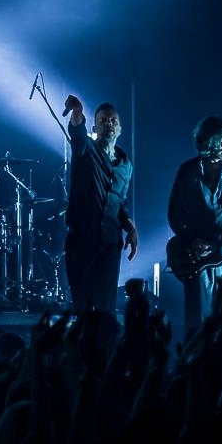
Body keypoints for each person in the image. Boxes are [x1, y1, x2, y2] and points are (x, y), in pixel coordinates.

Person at [167, 115, 222, 337]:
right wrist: (191, 240)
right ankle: (195, 354)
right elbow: (174, 213)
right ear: (207, 141)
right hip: (196, 253)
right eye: (221, 139)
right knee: (197, 315)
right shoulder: (188, 171)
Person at [62, 94, 138, 316]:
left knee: (106, 310)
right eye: (103, 120)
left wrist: (131, 228)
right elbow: (77, 133)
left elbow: (120, 201)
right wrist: (77, 111)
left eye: (113, 120)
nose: (109, 124)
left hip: (109, 244)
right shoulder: (85, 150)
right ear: (95, 127)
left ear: (120, 128)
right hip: (82, 242)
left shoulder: (125, 165)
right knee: (84, 309)